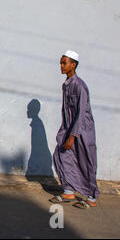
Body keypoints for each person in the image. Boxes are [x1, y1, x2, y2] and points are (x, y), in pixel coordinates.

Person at [49, 50, 99, 209]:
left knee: (86, 162)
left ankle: (91, 197)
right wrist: (65, 130)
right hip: (69, 127)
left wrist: (73, 136)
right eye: (60, 63)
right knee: (60, 155)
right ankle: (68, 191)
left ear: (73, 65)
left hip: (82, 130)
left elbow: (81, 113)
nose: (61, 66)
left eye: (64, 63)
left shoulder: (79, 86)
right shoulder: (67, 85)